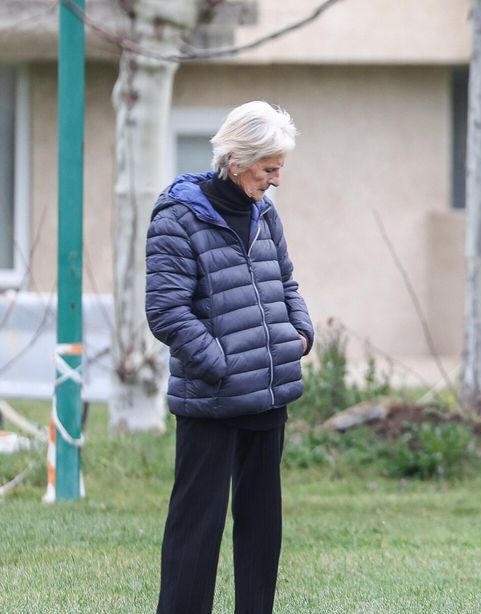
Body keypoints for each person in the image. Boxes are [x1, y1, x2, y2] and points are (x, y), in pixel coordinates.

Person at [146, 100, 314, 613]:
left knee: (263, 524)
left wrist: (299, 333)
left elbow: (284, 281)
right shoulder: (179, 218)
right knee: (196, 528)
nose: (277, 180)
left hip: (268, 392)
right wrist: (220, 364)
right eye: (269, 168)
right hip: (212, 397)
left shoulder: (265, 213)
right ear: (237, 161)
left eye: (280, 167)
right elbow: (166, 312)